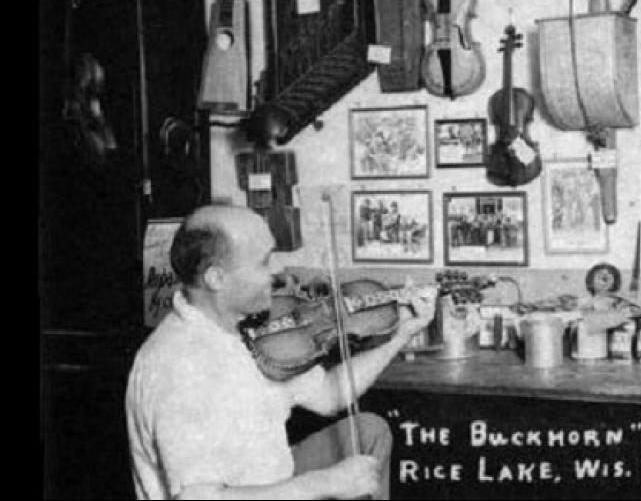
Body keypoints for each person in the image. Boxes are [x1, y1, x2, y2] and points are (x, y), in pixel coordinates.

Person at [125, 205, 435, 500]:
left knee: (368, 431)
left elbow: (330, 395)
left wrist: (401, 335)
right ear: (216, 279)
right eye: (264, 261)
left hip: (273, 483)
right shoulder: (179, 367)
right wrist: (324, 483)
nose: (278, 271)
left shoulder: (246, 330)